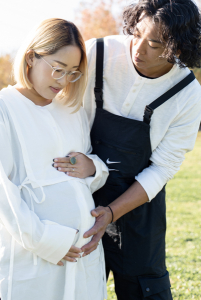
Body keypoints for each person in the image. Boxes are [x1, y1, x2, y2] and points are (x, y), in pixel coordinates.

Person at [55, 0, 201, 299]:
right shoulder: (96, 53)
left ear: (179, 47)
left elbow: (163, 167)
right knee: (71, 283)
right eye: (136, 34)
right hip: (75, 187)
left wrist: (110, 212)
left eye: (155, 44)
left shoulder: (187, 94)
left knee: (144, 287)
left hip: (138, 201)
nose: (138, 49)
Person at [0, 18, 109, 300]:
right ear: (30, 58)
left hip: (82, 254)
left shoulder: (71, 111)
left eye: (72, 72)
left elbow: (86, 176)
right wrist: (48, 242)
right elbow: (3, 193)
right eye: (58, 69)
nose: (63, 81)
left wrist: (92, 167)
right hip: (34, 256)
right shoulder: (5, 108)